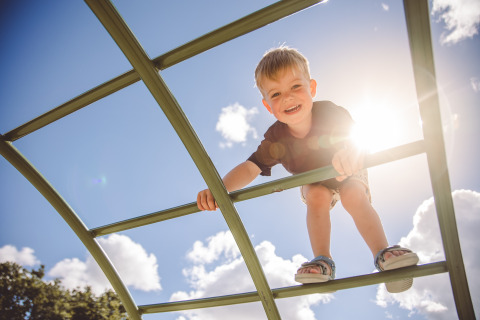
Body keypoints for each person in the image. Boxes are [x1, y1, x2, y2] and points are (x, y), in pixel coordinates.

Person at [197, 46, 419, 293]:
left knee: (352, 195)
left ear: (312, 88)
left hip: (346, 167)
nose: (288, 98)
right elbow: (251, 167)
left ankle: (383, 253)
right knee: (315, 195)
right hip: (315, 180)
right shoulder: (276, 139)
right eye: (276, 94)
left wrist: (351, 151)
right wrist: (219, 188)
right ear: (268, 106)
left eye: (295, 87)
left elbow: (357, 138)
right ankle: (323, 260)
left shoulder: (331, 113)